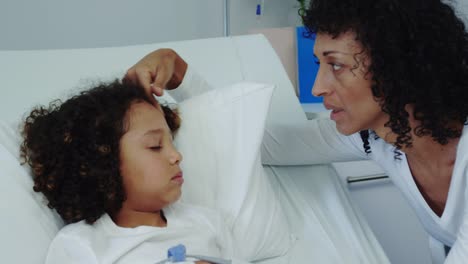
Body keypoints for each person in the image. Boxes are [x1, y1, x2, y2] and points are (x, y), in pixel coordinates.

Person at [123, 0, 468, 263]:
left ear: (398, 67)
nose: (318, 87)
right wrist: (179, 72)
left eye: (336, 65)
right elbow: (265, 144)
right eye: (320, 64)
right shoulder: (378, 138)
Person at [20, 80, 249, 264]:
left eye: (172, 143)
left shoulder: (207, 223)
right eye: (155, 146)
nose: (176, 156)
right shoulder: (82, 245)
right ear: (104, 164)